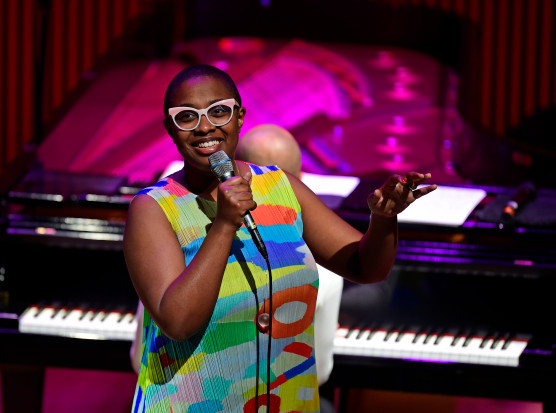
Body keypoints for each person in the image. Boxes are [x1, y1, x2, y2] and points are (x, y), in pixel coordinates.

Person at [123, 64, 437, 413]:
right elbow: (178, 322)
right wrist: (224, 225)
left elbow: (366, 267)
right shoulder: (153, 208)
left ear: (239, 117)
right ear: (170, 129)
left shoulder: (281, 187)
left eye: (218, 111)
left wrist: (383, 219)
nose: (205, 126)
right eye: (187, 117)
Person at [235, 124, 343, 413]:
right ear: (300, 182)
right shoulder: (323, 266)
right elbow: (318, 373)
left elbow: (140, 358)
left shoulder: (185, 234)